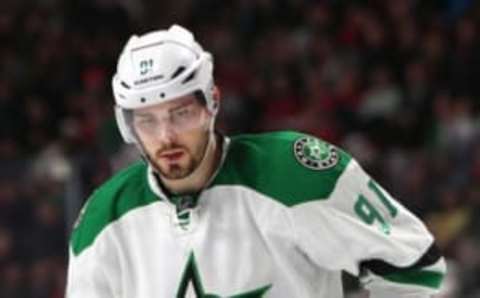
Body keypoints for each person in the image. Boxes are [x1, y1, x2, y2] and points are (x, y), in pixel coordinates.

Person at [66, 25, 446, 298]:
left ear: (211, 102)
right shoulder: (103, 219)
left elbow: (414, 264)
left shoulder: (294, 174)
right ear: (127, 125)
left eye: (180, 113)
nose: (165, 137)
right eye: (147, 121)